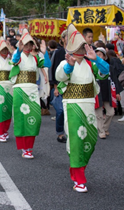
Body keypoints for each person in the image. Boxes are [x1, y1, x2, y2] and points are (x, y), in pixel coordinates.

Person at [56, 24, 109, 193]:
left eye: (82, 46)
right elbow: (61, 76)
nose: (80, 49)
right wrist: (70, 65)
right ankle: (78, 179)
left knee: (90, 140)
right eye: (76, 46)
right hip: (72, 107)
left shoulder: (90, 64)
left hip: (88, 106)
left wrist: (96, 59)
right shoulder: (65, 62)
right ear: (71, 47)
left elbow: (105, 72)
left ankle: (79, 170)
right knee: (76, 141)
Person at [10, 29, 51, 159]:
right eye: (25, 44)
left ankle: (29, 146)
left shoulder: (35, 58)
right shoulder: (18, 55)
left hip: (33, 89)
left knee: (35, 118)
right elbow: (14, 61)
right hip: (20, 90)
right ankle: (24, 148)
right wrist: (19, 49)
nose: (28, 47)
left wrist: (44, 52)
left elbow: (47, 64)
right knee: (21, 119)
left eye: (30, 44)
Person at [94, 48, 122, 138]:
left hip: (108, 92)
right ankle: (101, 131)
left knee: (111, 112)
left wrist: (117, 92)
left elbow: (115, 79)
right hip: (97, 93)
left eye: (100, 54)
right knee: (99, 114)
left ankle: (104, 128)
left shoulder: (109, 67)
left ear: (104, 56)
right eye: (96, 54)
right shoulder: (93, 66)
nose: (98, 56)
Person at [0, 36, 14, 142]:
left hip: (9, 87)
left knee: (8, 109)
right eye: (2, 49)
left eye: (6, 49)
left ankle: (5, 130)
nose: (4, 51)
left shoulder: (11, 61)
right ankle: (1, 132)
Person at [49, 30, 68, 143]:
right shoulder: (59, 52)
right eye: (67, 37)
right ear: (62, 38)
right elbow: (54, 68)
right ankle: (60, 133)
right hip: (60, 85)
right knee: (60, 111)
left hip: (72, 85)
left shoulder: (77, 52)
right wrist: (55, 87)